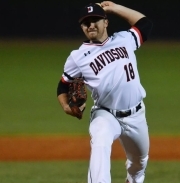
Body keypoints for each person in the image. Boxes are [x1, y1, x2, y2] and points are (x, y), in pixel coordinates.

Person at [57, 1, 153, 183]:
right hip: (106, 114)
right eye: (86, 22)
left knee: (139, 163)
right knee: (100, 141)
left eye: (95, 20)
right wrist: (65, 106)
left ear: (106, 22)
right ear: (82, 27)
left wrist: (115, 8)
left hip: (136, 114)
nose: (91, 25)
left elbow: (145, 24)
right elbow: (63, 86)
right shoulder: (77, 57)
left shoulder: (124, 39)